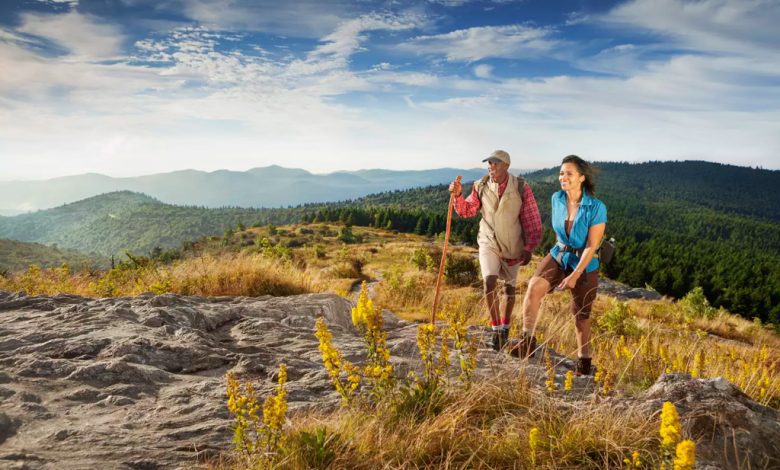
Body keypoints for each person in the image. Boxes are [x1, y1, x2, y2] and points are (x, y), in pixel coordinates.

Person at [518, 155, 607, 375]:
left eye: (569, 173)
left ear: (582, 178)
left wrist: (576, 274)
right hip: (559, 253)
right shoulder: (556, 199)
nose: (563, 177)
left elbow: (592, 245)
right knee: (533, 288)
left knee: (581, 316)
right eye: (561, 173)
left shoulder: (596, 207)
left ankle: (584, 363)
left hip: (584, 262)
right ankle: (527, 342)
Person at [448, 150, 542, 352]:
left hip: (512, 244)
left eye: (495, 163)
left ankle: (506, 328)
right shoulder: (480, 185)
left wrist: (528, 247)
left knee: (509, 289)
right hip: (488, 240)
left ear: (506, 166)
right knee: (489, 282)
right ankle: (496, 330)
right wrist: (457, 196)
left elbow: (531, 218)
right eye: (489, 163)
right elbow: (468, 210)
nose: (491, 167)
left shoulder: (521, 187)